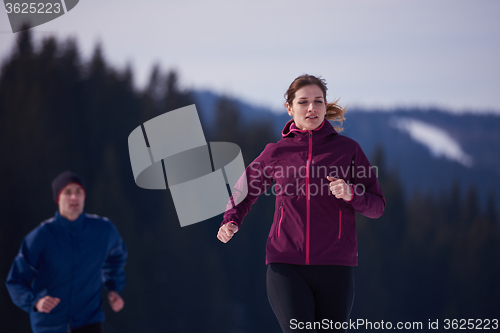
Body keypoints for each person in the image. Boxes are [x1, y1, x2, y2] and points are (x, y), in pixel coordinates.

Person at [217, 75, 385, 332]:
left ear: (325, 106)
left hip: (336, 266)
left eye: (318, 101)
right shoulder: (276, 152)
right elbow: (244, 190)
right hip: (286, 265)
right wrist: (231, 220)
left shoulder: (348, 150)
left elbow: (377, 206)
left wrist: (352, 193)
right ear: (290, 107)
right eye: (304, 101)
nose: (312, 108)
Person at [6, 171, 127, 333]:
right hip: (49, 324)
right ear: (58, 198)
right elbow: (16, 280)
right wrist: (35, 302)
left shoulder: (103, 230)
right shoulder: (41, 236)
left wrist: (113, 287)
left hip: (89, 320)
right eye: (67, 192)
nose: (74, 197)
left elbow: (116, 257)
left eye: (79, 192)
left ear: (84, 197)